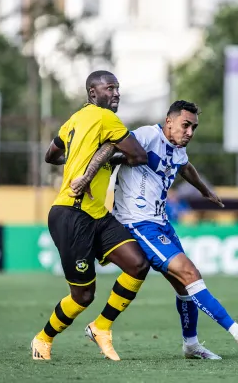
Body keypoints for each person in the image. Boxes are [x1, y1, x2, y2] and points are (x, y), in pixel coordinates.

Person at [107, 100, 238, 359]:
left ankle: (191, 345)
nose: (190, 132)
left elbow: (185, 167)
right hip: (137, 222)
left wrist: (205, 191)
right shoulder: (147, 136)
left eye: (194, 127)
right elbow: (116, 147)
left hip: (160, 222)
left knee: (185, 286)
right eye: (185, 125)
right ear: (169, 121)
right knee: (189, 273)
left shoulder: (178, 150)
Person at [30, 70, 152, 361]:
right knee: (83, 296)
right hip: (71, 214)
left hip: (97, 212)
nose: (116, 93)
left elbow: (50, 156)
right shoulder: (105, 118)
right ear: (93, 93)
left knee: (137, 264)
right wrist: (112, 154)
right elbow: (139, 156)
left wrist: (91, 159)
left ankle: (101, 327)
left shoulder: (74, 119)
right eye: (109, 88)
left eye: (117, 88)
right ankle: (43, 338)